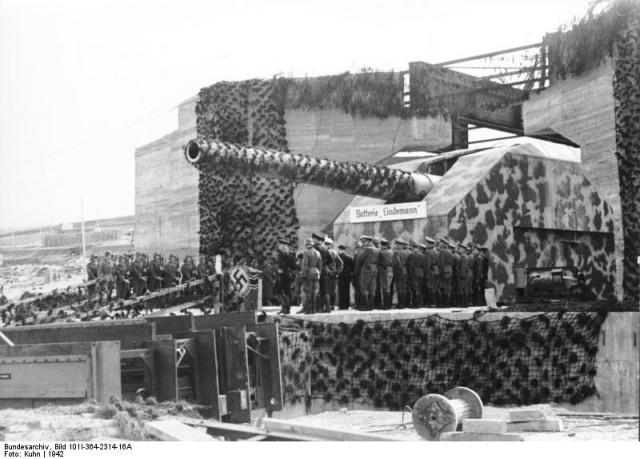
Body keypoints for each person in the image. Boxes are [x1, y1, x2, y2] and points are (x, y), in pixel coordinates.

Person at [354, 236, 379, 311]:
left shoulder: (368, 249)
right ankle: (371, 305)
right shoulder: (376, 248)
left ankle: (366, 305)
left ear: (368, 241)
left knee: (363, 287)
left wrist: (356, 270)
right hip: (374, 268)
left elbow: (360, 258)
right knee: (372, 287)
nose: (363, 243)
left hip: (366, 268)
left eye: (364, 242)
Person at [300, 238, 322, 314]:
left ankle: (309, 310)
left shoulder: (306, 253)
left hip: (308, 273)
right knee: (314, 292)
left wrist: (303, 274)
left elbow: (304, 265)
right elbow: (320, 265)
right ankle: (314, 309)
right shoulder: (318, 252)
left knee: (308, 292)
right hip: (316, 273)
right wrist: (319, 272)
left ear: (306, 245)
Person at [312, 232, 333, 313]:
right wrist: (325, 265)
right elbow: (330, 260)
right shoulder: (325, 248)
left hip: (316, 270)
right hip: (324, 271)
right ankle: (328, 308)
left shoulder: (314, 248)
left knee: (317, 289)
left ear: (315, 239)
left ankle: (319, 308)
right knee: (325, 290)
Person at [274, 239, 297, 314]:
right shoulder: (291, 253)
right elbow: (294, 266)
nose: (279, 246)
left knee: (277, 291)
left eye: (280, 245)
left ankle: (284, 307)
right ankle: (288, 308)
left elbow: (280, 265)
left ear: (283, 245)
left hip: (283, 274)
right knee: (287, 292)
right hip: (289, 275)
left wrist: (279, 276)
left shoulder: (281, 253)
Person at [324, 237, 343, 310]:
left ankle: (326, 306)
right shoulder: (334, 252)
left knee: (326, 290)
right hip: (333, 274)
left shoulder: (322, 251)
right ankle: (332, 306)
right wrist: (338, 271)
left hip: (326, 273)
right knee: (332, 290)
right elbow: (341, 263)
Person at [406, 241, 425, 308]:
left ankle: (415, 304)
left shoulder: (412, 255)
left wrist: (409, 276)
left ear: (412, 247)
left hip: (414, 273)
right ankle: (420, 303)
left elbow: (410, 266)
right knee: (420, 289)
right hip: (421, 273)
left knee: (414, 289)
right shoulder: (422, 255)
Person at [377, 238, 394, 309]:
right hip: (390, 270)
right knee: (388, 288)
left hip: (384, 271)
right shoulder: (391, 251)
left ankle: (386, 305)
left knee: (385, 288)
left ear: (382, 245)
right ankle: (389, 304)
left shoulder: (381, 252)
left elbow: (378, 262)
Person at [392, 239, 409, 309]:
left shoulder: (396, 252)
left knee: (399, 288)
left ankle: (400, 304)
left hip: (399, 271)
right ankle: (404, 303)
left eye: (396, 244)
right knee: (403, 287)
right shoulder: (406, 252)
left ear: (399, 245)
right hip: (405, 270)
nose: (395, 245)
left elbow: (397, 262)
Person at [437, 238, 454, 308]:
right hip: (449, 269)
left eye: (441, 243)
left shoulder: (442, 251)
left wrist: (440, 271)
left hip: (444, 270)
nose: (439, 244)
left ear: (443, 244)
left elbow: (441, 263)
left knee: (443, 287)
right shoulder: (450, 251)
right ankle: (448, 303)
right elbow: (452, 263)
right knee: (448, 287)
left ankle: (445, 303)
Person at [337, 244, 354, 310]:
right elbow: (352, 268)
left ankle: (341, 306)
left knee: (341, 291)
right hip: (347, 276)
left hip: (340, 276)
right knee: (347, 291)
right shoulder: (349, 258)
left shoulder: (338, 257)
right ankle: (346, 306)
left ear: (339, 249)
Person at [423, 237, 438, 307]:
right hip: (436, 270)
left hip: (430, 271)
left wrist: (426, 274)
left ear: (429, 244)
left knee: (430, 287)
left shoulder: (428, 252)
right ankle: (434, 302)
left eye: (427, 243)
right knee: (434, 287)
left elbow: (427, 264)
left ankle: (431, 303)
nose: (426, 244)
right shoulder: (436, 252)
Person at [456, 243, 470, 307]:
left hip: (462, 275)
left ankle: (462, 304)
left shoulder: (463, 256)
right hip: (465, 275)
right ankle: (465, 304)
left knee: (461, 289)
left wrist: (462, 275)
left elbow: (463, 266)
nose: (459, 249)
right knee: (465, 289)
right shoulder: (465, 256)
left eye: (460, 248)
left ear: (463, 249)